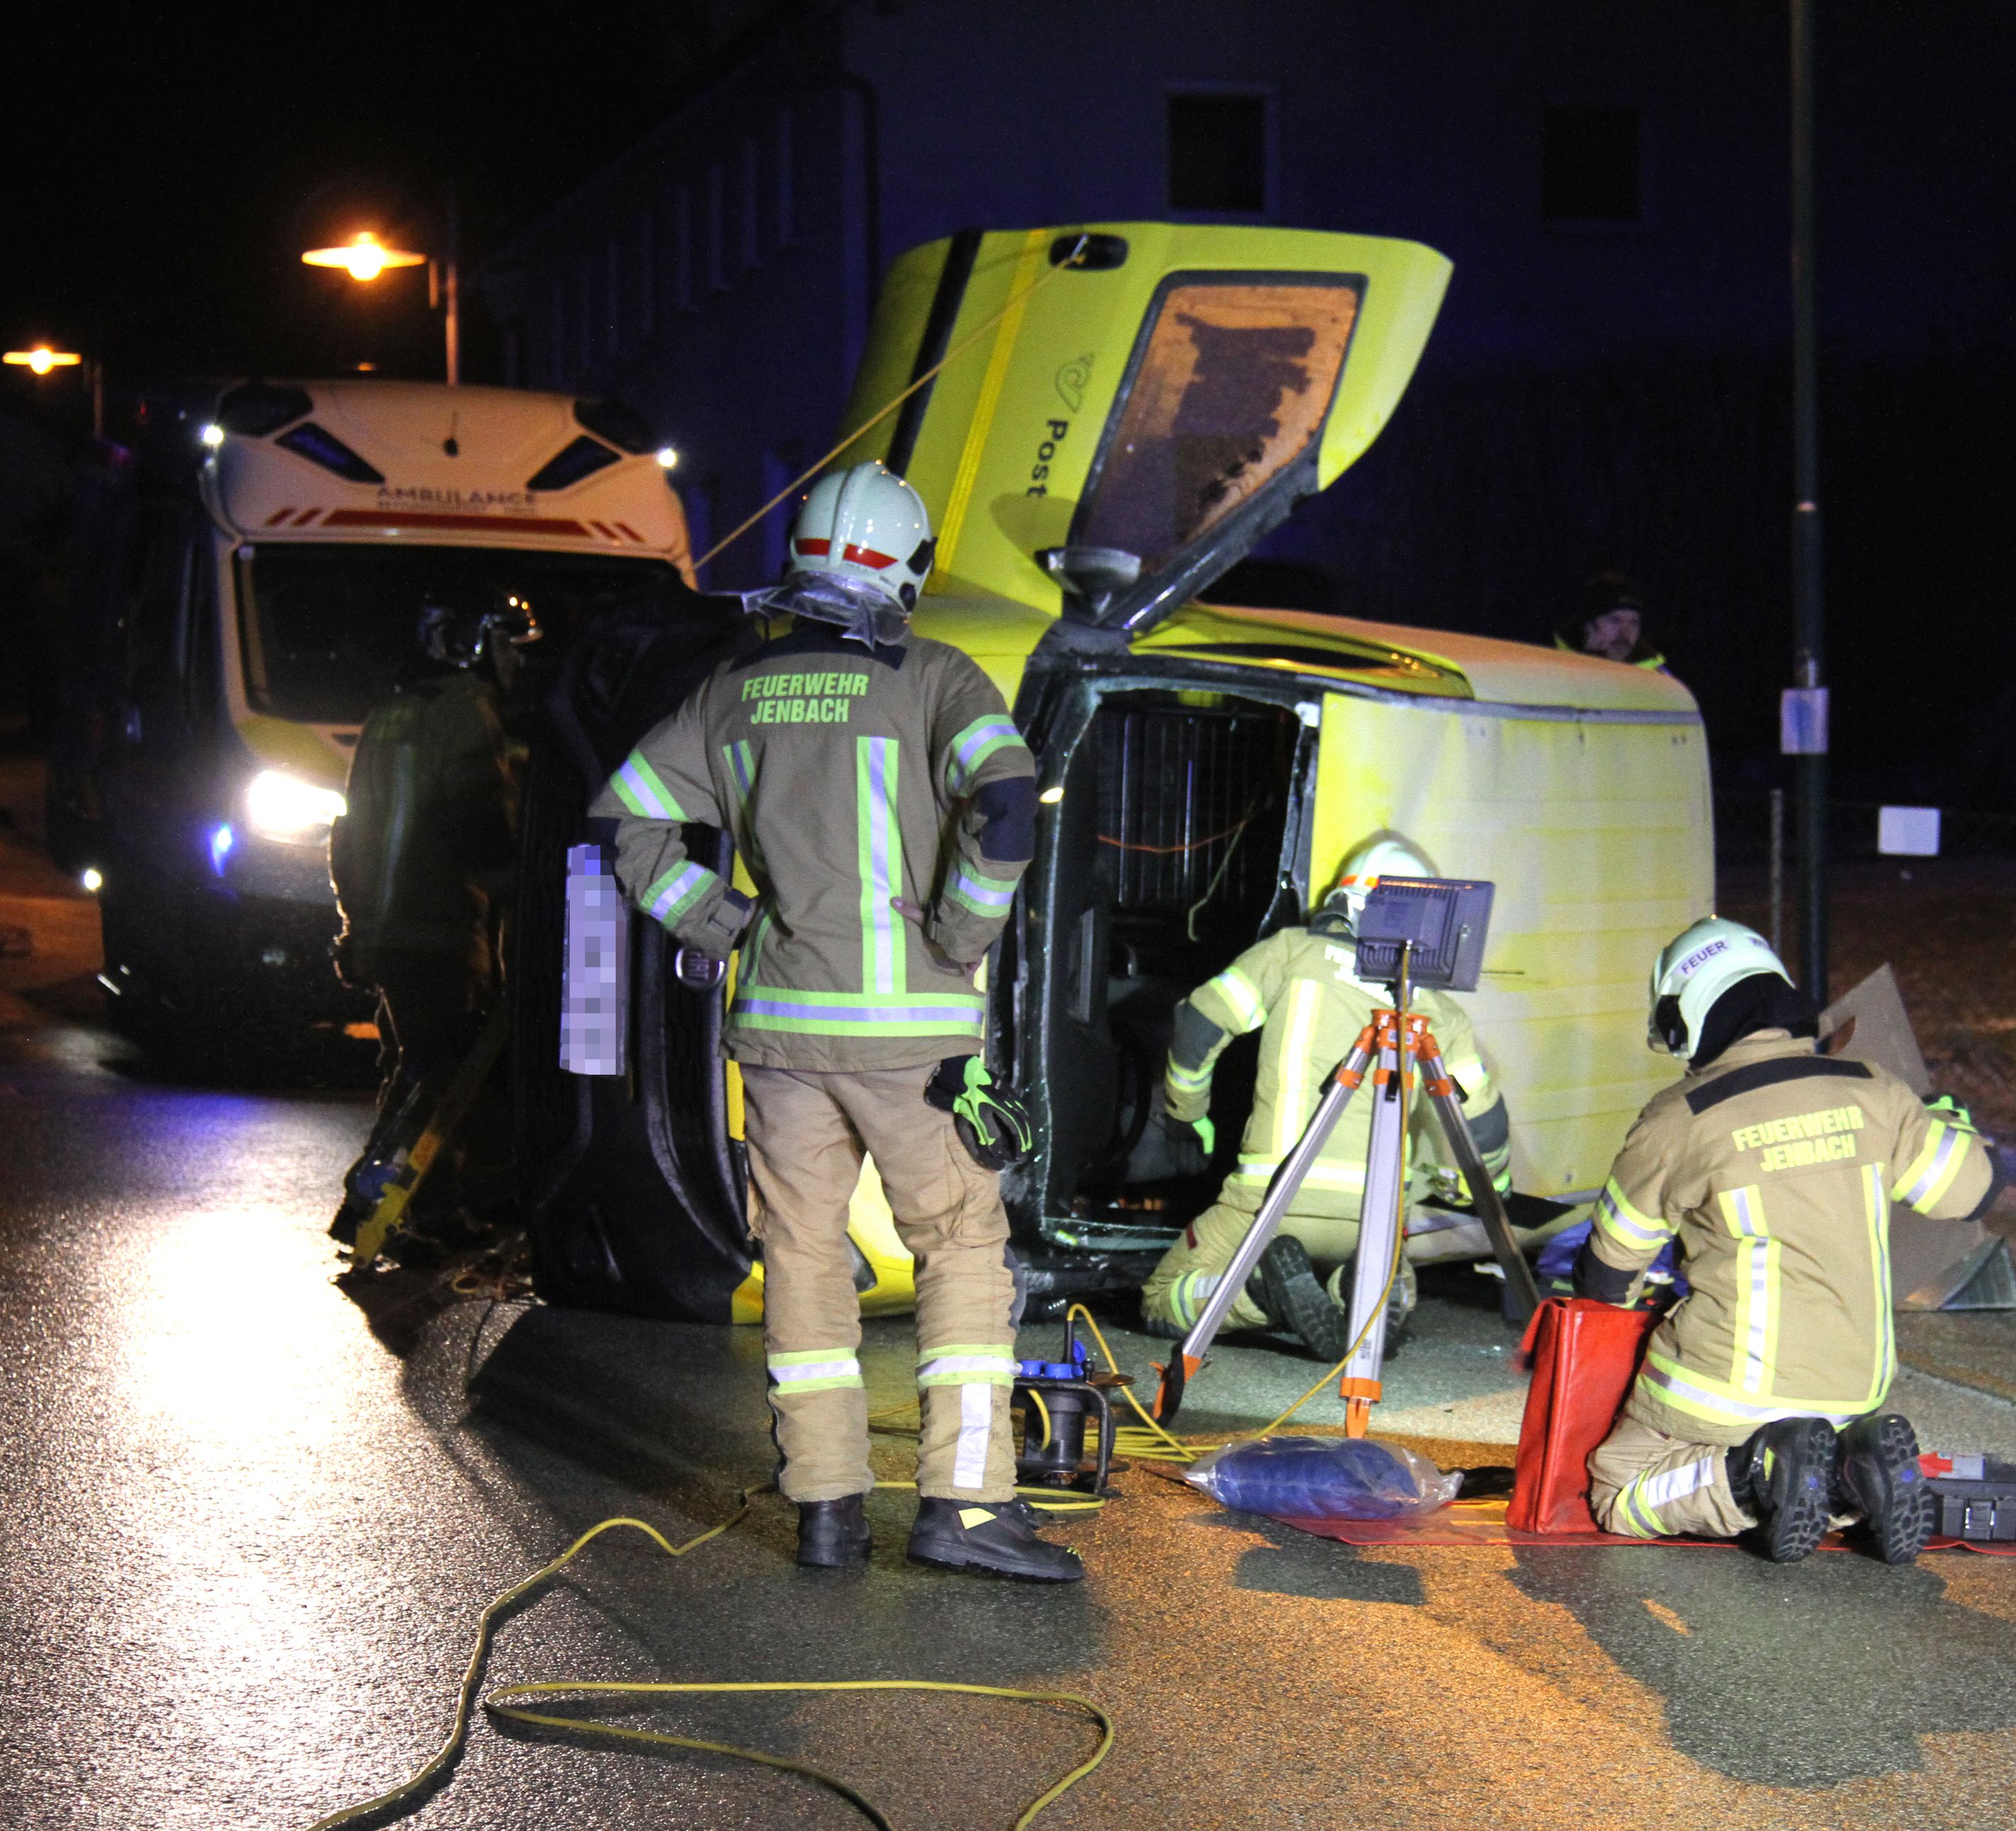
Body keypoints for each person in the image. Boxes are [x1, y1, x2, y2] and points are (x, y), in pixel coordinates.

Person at [591, 461, 1070, 1582]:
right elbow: (1005, 803)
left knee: (802, 1255)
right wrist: (959, 932)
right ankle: (964, 1505)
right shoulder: (936, 679)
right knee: (958, 1253)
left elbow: (625, 821)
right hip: (911, 1038)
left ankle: (824, 1508)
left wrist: (721, 922)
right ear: (902, 569)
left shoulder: (731, 693)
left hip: (780, 1033)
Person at [1573, 919, 1996, 1563]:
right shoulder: (1873, 1090)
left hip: (1724, 1391)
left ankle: (1751, 1473)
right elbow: (1970, 1192)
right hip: (1857, 1385)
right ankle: (1856, 1466)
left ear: (1689, 1013)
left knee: (1618, 1487)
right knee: (1815, 1454)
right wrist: (1943, 1116)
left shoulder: (1678, 1119)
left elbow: (1606, 1275)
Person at [1139, 835, 1512, 1359]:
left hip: (1272, 1198)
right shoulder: (1438, 1010)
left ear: (1347, 900)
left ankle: (1257, 1294)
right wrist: (1493, 1186)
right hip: (1375, 1215)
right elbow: (1486, 1124)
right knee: (1386, 1273)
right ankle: (1371, 1291)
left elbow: (1199, 1025)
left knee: (1163, 1296)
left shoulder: (1292, 952)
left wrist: (1188, 1113)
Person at [329, 597, 529, 1228]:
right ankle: (383, 1203)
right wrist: (530, 901)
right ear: (473, 646)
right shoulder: (464, 715)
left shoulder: (387, 715)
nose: (517, 661)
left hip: (384, 930)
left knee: (415, 1066)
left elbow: (349, 832)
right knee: (439, 1075)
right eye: (509, 645)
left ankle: (421, 1207)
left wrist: (357, 928)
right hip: (438, 927)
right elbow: (480, 825)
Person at [1553, 572, 1666, 669]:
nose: (1624, 632)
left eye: (1633, 622)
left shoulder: (1656, 677)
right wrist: (1591, 662)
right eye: (1615, 620)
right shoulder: (1552, 663)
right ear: (1589, 626)